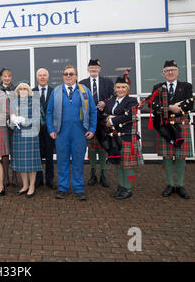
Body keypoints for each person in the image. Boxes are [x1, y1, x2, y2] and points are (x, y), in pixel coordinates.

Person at [47, 65, 97, 201]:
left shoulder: (84, 91)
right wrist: (51, 129)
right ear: (63, 76)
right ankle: (63, 188)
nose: (68, 76)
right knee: (62, 161)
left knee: (78, 161)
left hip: (79, 132)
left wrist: (92, 129)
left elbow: (92, 110)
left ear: (76, 76)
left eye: (71, 74)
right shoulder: (56, 91)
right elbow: (49, 112)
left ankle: (79, 188)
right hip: (61, 132)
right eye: (66, 74)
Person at [152, 60, 193, 199]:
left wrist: (177, 108)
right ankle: (170, 184)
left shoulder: (186, 86)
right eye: (167, 70)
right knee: (167, 155)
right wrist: (170, 107)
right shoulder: (158, 87)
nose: (170, 72)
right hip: (165, 124)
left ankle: (180, 185)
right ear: (163, 74)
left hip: (180, 123)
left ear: (177, 72)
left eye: (173, 70)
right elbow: (153, 105)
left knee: (181, 156)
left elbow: (190, 105)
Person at [97, 76, 143, 199]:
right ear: (115, 89)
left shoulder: (132, 101)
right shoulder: (111, 101)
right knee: (118, 164)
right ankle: (121, 186)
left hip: (127, 138)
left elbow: (128, 116)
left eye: (123, 87)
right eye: (118, 87)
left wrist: (112, 120)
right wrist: (107, 118)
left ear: (127, 89)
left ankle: (128, 188)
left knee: (127, 166)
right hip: (114, 138)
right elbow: (103, 115)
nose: (120, 89)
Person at [79, 59, 114, 188]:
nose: (93, 69)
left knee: (103, 147)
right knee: (92, 149)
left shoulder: (107, 82)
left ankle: (103, 174)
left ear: (99, 69)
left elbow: (114, 97)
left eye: (96, 67)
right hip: (89, 120)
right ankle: (93, 174)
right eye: (91, 67)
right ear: (88, 69)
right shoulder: (82, 84)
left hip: (103, 119)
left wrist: (105, 103)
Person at [10, 81, 42, 199]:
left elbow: (37, 118)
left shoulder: (34, 102)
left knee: (31, 162)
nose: (22, 90)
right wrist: (12, 120)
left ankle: (32, 186)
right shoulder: (13, 103)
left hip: (31, 134)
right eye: (20, 89)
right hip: (18, 134)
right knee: (21, 161)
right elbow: (10, 121)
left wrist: (24, 120)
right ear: (17, 91)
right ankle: (25, 185)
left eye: (24, 88)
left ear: (28, 91)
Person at [33, 68, 56, 189]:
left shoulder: (54, 91)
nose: (42, 77)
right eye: (40, 75)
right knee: (36, 155)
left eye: (44, 75)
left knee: (49, 155)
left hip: (49, 129)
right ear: (37, 78)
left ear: (48, 77)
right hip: (35, 130)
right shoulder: (32, 92)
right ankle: (38, 179)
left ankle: (50, 179)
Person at [0, 68, 18, 187]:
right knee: (5, 151)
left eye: (9, 76)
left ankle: (14, 175)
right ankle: (5, 176)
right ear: (1, 77)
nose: (7, 78)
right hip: (2, 123)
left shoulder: (16, 89)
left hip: (14, 122)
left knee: (14, 150)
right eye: (5, 76)